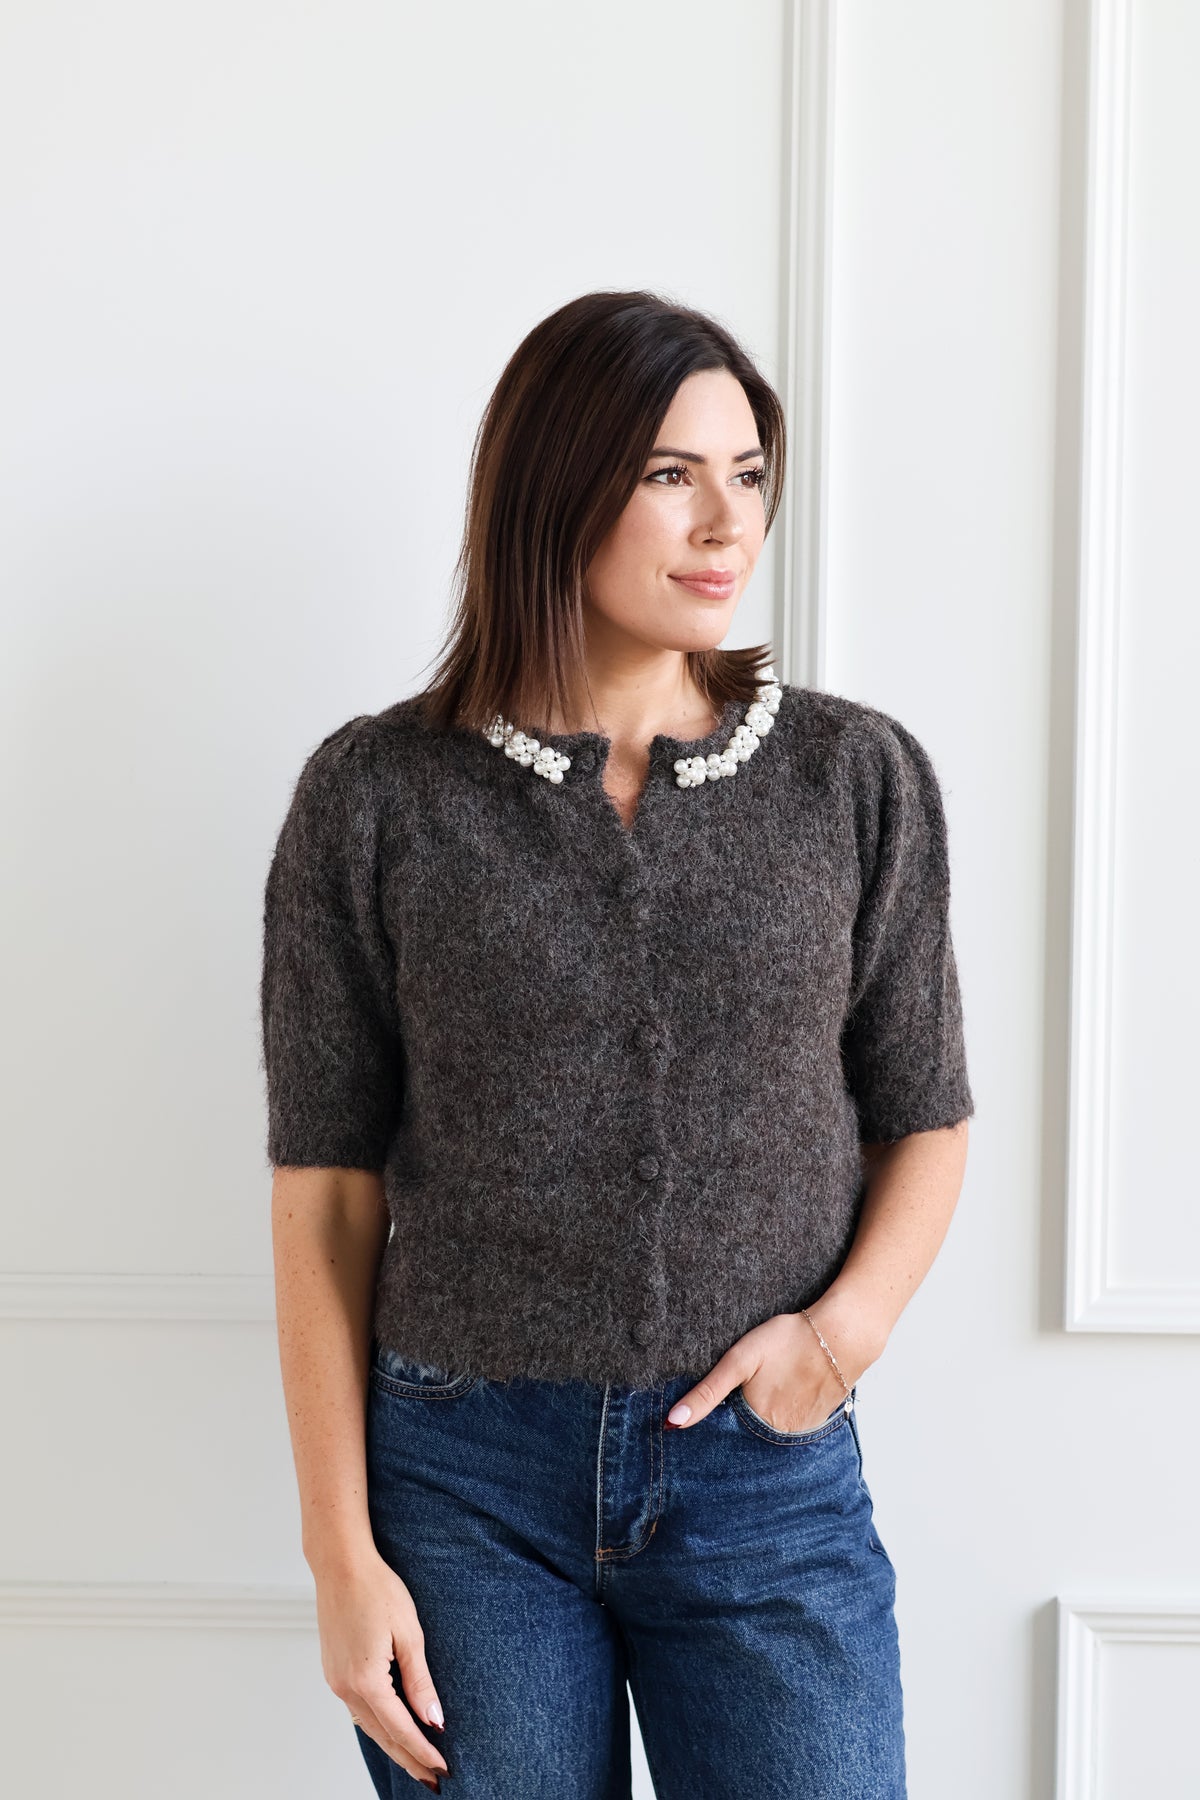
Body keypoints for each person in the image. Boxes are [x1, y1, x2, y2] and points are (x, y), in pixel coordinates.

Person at [259, 289, 974, 1799]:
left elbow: (924, 1112)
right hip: (462, 1490)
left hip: (765, 1478)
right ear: (556, 487)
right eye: (670, 474)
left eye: (749, 475)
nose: (729, 522)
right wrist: (340, 1554)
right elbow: (325, 1189)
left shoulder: (855, 776)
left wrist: (838, 1343)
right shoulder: (376, 795)